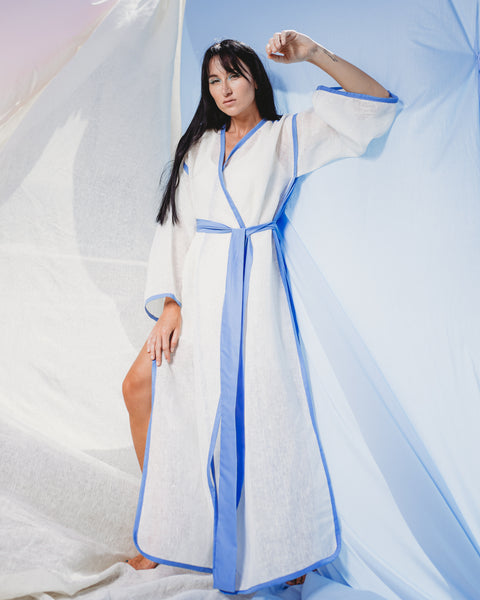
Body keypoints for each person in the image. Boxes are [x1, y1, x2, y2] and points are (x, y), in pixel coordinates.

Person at [123, 30, 398, 594]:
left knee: (264, 417)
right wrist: (171, 304)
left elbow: (373, 106)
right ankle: (169, 527)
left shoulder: (285, 138)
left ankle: (282, 546)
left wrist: (315, 54)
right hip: (197, 294)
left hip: (252, 294)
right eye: (213, 80)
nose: (224, 88)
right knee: (143, 390)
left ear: (255, 78)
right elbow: (176, 227)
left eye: (234, 74)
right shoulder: (198, 149)